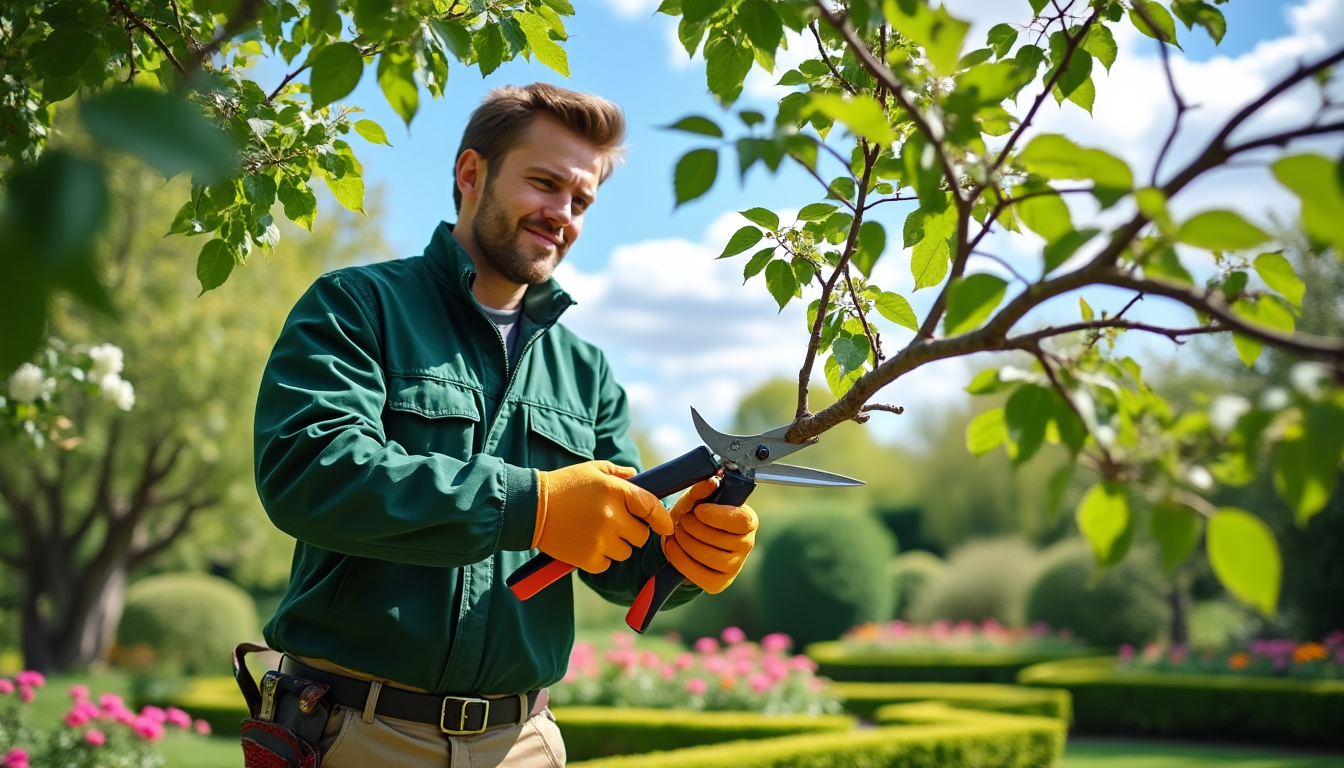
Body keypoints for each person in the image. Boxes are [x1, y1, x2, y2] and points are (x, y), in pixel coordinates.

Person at [251, 83, 760, 768]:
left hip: (524, 744)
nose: (562, 214)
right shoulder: (357, 306)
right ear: (471, 174)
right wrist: (532, 506)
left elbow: (622, 567)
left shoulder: (588, 373)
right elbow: (308, 473)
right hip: (355, 733)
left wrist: (690, 552)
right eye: (545, 184)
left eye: (581, 201)